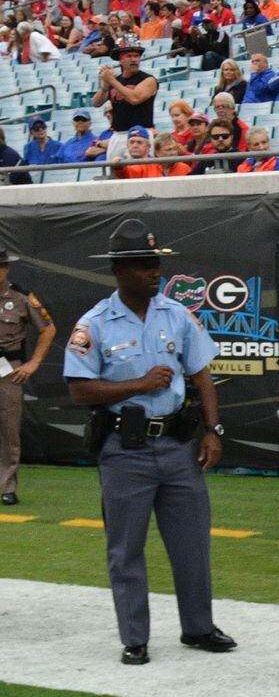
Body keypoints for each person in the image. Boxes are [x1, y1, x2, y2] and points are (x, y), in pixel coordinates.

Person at [63, 219, 234, 665]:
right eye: (143, 264)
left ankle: (198, 628)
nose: (153, 271)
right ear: (119, 269)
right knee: (127, 549)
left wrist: (213, 431)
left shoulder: (177, 315)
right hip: (125, 451)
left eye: (155, 263)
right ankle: (134, 638)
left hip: (179, 445)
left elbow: (202, 376)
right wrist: (137, 385)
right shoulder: (94, 323)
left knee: (192, 545)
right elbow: (79, 390)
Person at [0, 248, 56, 506]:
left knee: (9, 431)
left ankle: (7, 486)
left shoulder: (21, 297)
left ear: (6, 268)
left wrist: (33, 363)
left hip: (8, 370)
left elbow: (48, 329)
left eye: (1, 266)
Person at [91, 41, 158, 162]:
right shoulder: (114, 81)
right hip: (118, 135)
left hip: (141, 135)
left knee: (141, 173)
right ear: (120, 59)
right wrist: (105, 86)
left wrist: (112, 80)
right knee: (115, 175)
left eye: (136, 56)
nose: (134, 59)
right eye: (129, 56)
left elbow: (135, 99)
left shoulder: (148, 79)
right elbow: (96, 103)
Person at [22, 116, 63, 183]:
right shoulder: (28, 148)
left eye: (43, 126)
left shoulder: (59, 146)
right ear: (31, 132)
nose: (40, 130)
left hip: (54, 182)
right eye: (36, 128)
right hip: (35, 182)